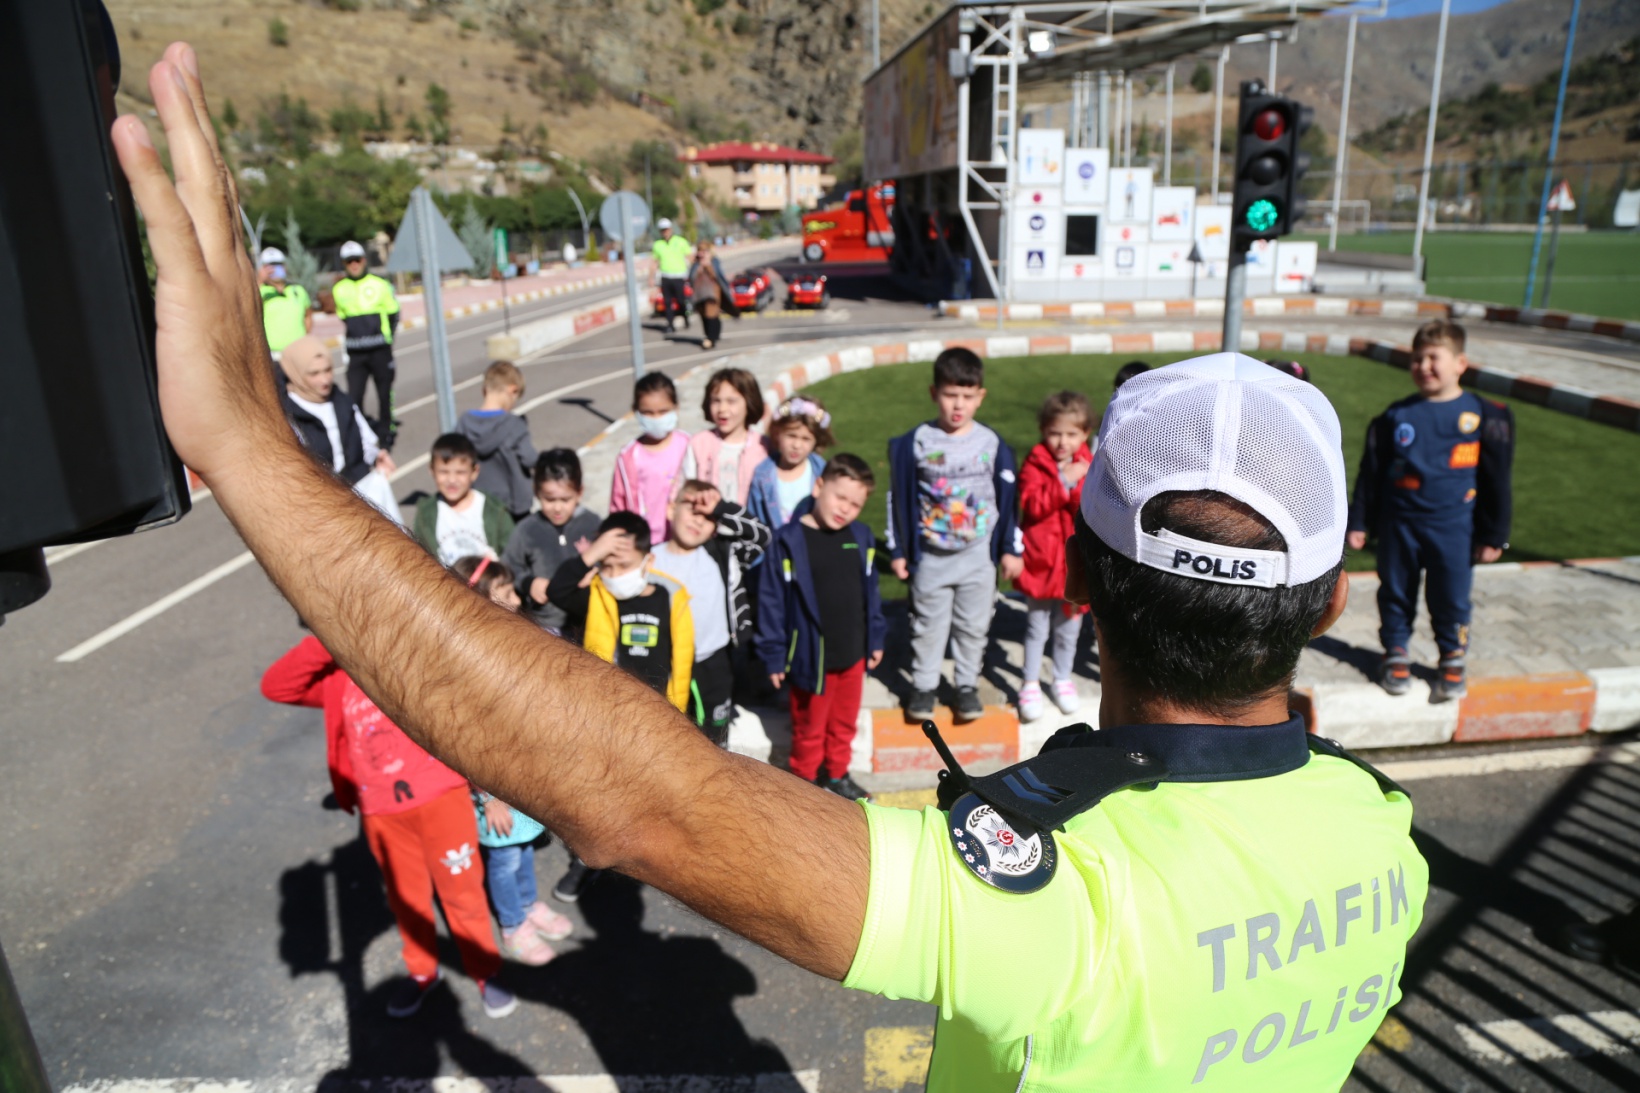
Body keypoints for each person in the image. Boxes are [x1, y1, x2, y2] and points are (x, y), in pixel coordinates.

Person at [114, 51, 1430, 1088]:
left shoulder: (1051, 908)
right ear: (1329, 597)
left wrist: (251, 448)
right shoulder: (1384, 842)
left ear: (1078, 571)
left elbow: (645, 796)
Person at [260, 634, 518, 1020]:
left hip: (443, 801)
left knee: (462, 894)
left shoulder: (413, 657)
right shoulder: (337, 676)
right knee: (407, 901)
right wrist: (327, 637)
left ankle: (485, 971)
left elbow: (463, 721)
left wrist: (488, 793)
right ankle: (422, 972)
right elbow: (276, 687)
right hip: (382, 812)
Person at [1346, 319, 1514, 702]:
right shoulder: (1396, 416)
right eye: (1417, 359)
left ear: (1460, 363)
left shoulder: (1484, 415)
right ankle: (1395, 651)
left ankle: (1452, 656)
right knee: (1395, 591)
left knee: (1451, 596)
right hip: (1399, 525)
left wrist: (1494, 534)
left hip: (1454, 528)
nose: (1423, 366)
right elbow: (1371, 473)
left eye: (1433, 358)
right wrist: (1360, 521)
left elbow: (1497, 481)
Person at [886, 348, 1023, 723]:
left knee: (973, 626)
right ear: (934, 393)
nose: (958, 405)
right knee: (927, 626)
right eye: (950, 395)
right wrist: (898, 550)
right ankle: (924, 685)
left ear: (980, 396)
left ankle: (966, 684)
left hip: (979, 555)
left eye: (967, 395)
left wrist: (1010, 547)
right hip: (931, 556)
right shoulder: (915, 443)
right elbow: (896, 498)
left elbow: (1009, 500)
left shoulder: (992, 443)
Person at [452, 554, 576, 966]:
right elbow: (466, 736)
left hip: (521, 776)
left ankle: (527, 903)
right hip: (493, 787)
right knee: (504, 858)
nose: (515, 597)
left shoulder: (509, 636)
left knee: (522, 847)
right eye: (503, 591)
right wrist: (488, 797)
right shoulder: (467, 656)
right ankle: (512, 923)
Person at [756, 454, 885, 801]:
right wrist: (773, 654)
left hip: (853, 654)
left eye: (855, 504)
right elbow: (770, 603)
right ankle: (805, 785)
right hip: (810, 659)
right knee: (809, 728)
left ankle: (838, 774)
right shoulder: (787, 541)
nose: (845, 509)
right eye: (840, 497)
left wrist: (875, 637)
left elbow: (871, 593)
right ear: (818, 486)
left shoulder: (861, 536)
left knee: (844, 723)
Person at [653, 480, 771, 743]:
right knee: (666, 734)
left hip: (713, 663)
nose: (699, 520)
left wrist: (721, 508)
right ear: (671, 509)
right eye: (693, 509)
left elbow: (762, 536)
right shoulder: (648, 560)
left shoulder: (723, 553)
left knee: (714, 738)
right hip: (665, 664)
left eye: (708, 517)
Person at [547, 512, 694, 713]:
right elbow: (557, 591)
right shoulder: (598, 595)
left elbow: (682, 658)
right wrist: (591, 554)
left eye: (624, 565)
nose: (615, 574)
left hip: (660, 707)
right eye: (606, 566)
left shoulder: (671, 597)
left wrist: (677, 709)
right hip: (609, 705)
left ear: (648, 561)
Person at [1014, 391, 1095, 723]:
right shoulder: (1036, 461)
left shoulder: (1089, 464)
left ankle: (1061, 678)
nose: (1062, 442)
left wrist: (1076, 482)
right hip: (1040, 561)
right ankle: (1030, 682)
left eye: (1071, 434)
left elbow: (1088, 509)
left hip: (1072, 564)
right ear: (1043, 431)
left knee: (1068, 628)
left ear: (1085, 433)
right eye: (1055, 433)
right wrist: (1064, 480)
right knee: (1036, 627)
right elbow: (1031, 504)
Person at [275, 335, 401, 525]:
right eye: (314, 374)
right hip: (320, 508)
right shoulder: (287, 416)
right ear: (295, 374)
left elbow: (365, 440)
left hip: (358, 495)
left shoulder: (342, 401)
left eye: (328, 370)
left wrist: (377, 456)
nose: (325, 380)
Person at [503, 449, 603, 635]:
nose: (557, 508)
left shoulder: (593, 524)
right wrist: (528, 583)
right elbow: (509, 566)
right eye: (549, 499)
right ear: (537, 492)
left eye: (565, 499)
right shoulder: (526, 529)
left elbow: (609, 562)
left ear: (579, 492)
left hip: (589, 620)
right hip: (544, 625)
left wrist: (597, 573)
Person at [333, 240, 402, 448]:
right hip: (356, 353)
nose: (354, 264)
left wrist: (386, 339)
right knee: (354, 397)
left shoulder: (380, 284)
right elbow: (344, 317)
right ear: (344, 264)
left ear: (364, 260)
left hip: (380, 350)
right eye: (349, 261)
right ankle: (360, 437)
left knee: (384, 395)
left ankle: (386, 434)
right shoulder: (339, 289)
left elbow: (393, 314)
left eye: (357, 260)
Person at [610, 371, 691, 547]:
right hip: (645, 544)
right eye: (648, 412)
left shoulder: (689, 446)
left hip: (684, 540)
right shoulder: (628, 457)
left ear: (676, 408)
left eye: (663, 411)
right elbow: (618, 506)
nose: (656, 418)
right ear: (636, 412)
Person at [457, 360, 540, 524]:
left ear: (484, 391)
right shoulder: (515, 424)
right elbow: (529, 459)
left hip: (477, 501)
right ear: (513, 390)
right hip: (513, 504)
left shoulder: (464, 423)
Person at [413, 433, 515, 565]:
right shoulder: (425, 514)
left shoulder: (495, 511)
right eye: (444, 472)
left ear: (474, 472)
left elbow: (512, 555)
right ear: (432, 470)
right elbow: (419, 557)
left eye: (460, 472)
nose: (452, 480)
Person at [681, 368, 769, 507]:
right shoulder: (699, 443)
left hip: (750, 520)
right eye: (716, 401)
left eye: (731, 401)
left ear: (749, 402)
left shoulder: (764, 446)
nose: (722, 409)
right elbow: (685, 487)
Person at [746, 396, 832, 530]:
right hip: (777, 542)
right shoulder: (762, 475)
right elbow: (755, 522)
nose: (797, 445)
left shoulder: (823, 471)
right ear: (777, 434)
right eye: (791, 435)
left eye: (806, 439)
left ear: (816, 441)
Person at [257, 246, 312, 356]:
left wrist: (304, 338)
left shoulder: (298, 290)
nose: (274, 269)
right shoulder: (260, 292)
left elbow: (308, 316)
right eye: (269, 266)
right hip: (273, 353)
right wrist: (260, 280)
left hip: (299, 351)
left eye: (278, 264)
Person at [689, 239, 735, 350]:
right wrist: (699, 267)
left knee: (711, 314)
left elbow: (718, 276)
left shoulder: (714, 261)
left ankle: (711, 339)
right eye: (700, 251)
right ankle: (710, 335)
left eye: (704, 251)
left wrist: (708, 265)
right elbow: (691, 278)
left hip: (713, 293)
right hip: (699, 294)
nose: (701, 253)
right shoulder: (696, 264)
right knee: (704, 316)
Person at [651, 218, 692, 334]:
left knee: (681, 301)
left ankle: (685, 317)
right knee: (667, 302)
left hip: (679, 276)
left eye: (667, 229)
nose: (665, 232)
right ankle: (670, 325)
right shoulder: (657, 245)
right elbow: (655, 262)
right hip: (665, 277)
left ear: (671, 229)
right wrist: (651, 278)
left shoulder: (681, 241)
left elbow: (689, 257)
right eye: (663, 230)